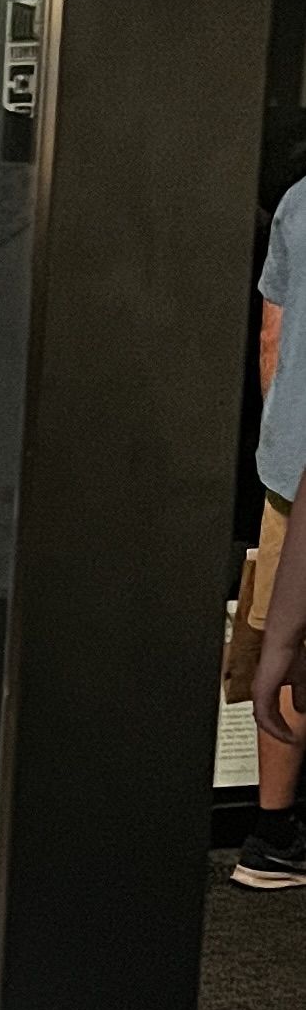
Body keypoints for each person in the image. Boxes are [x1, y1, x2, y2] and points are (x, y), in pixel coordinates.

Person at [229, 165, 306, 881]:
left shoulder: (299, 199)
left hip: (291, 466)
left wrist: (283, 436)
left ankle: (272, 831)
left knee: (284, 645)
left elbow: (271, 339)